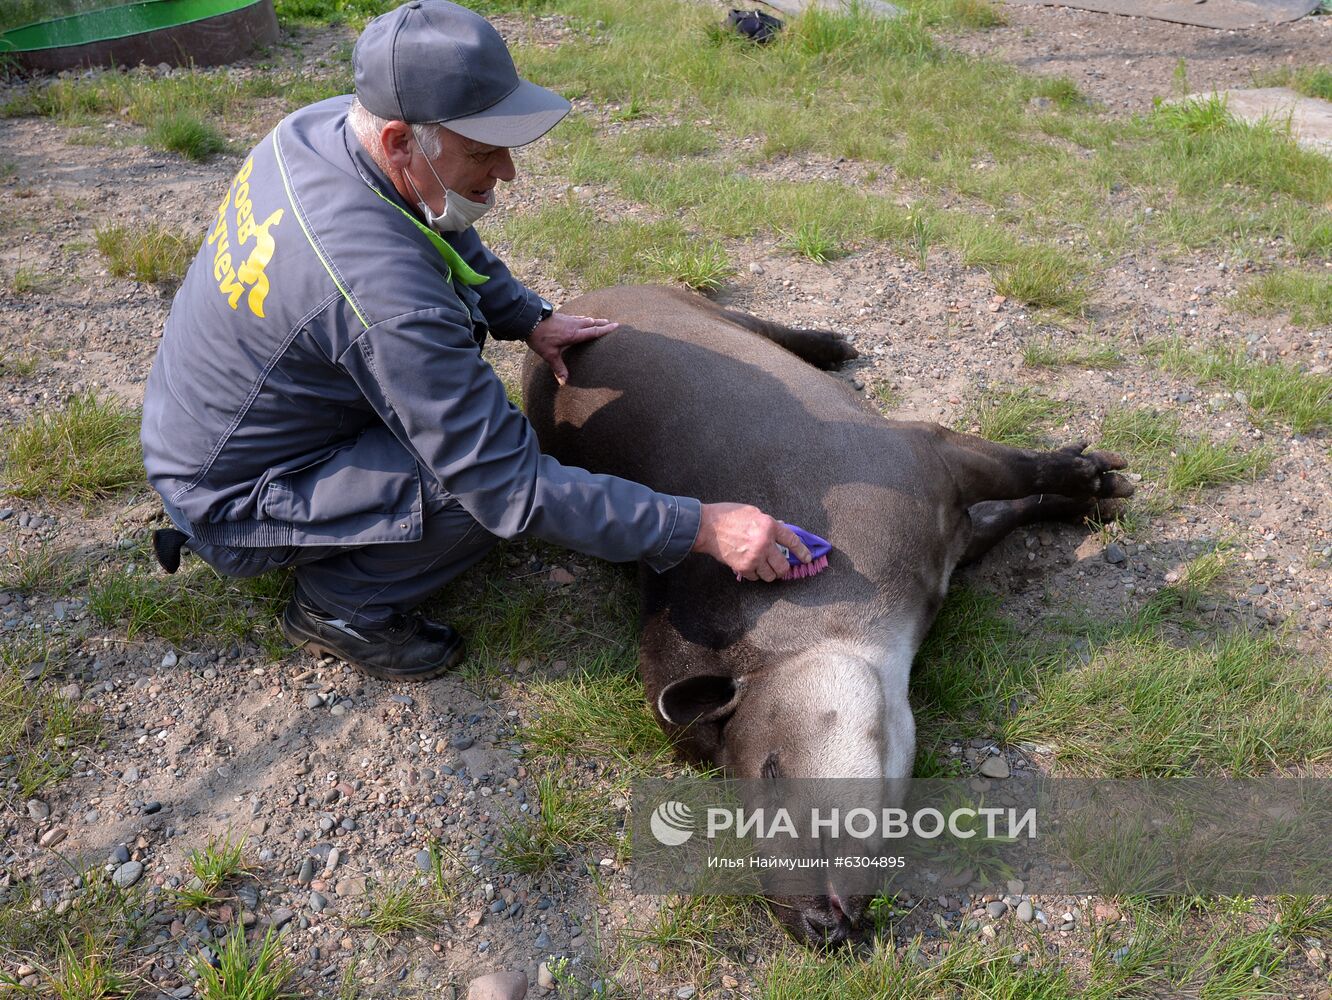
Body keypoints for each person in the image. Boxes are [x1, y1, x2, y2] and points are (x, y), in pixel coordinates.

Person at [141, 0, 811, 682]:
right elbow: (508, 487)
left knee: (463, 436)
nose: (508, 172)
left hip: (206, 425)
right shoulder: (387, 300)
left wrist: (524, 315)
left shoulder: (321, 130)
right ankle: (339, 608)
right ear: (401, 140)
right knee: (470, 494)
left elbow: (439, 226)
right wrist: (698, 527)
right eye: (484, 151)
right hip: (234, 492)